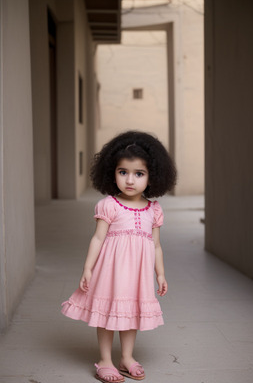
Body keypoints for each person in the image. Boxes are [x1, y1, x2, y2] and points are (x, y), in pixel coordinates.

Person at [61, 131, 177, 382]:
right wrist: (87, 268)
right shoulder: (109, 205)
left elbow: (156, 245)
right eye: (123, 172)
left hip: (137, 274)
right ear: (112, 173)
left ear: (152, 176)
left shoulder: (153, 210)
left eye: (139, 173)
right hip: (110, 271)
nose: (130, 180)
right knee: (106, 312)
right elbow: (98, 238)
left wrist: (160, 273)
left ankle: (126, 357)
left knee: (131, 312)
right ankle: (104, 359)